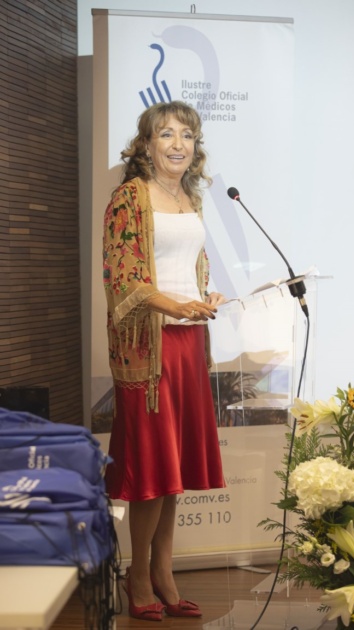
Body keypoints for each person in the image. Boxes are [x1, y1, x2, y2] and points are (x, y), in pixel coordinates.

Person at [103, 101, 226, 622]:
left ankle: (163, 571)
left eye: (187, 135)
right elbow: (123, 276)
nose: (178, 144)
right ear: (147, 144)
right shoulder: (129, 197)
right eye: (167, 134)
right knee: (152, 469)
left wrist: (204, 296)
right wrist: (174, 306)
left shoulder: (188, 196)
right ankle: (137, 576)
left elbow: (189, 266)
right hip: (148, 349)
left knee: (173, 467)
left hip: (189, 340)